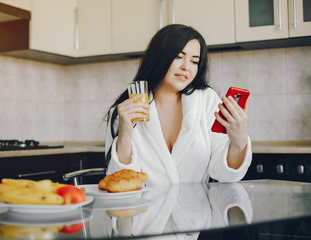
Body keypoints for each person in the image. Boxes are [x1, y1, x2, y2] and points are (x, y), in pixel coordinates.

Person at [104, 24, 252, 186]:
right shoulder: (127, 111)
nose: (186, 67)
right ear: (159, 57)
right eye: (178, 57)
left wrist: (238, 141)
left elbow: (225, 175)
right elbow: (120, 182)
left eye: (194, 61)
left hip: (196, 210)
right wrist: (125, 135)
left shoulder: (207, 101)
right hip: (147, 210)